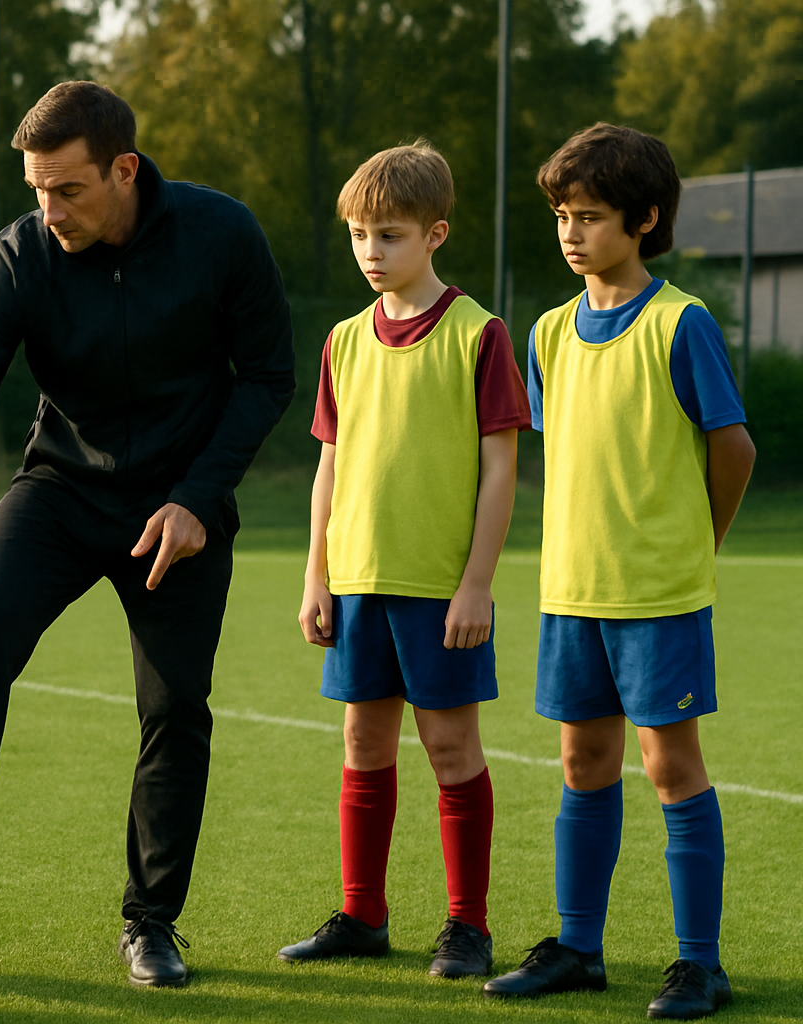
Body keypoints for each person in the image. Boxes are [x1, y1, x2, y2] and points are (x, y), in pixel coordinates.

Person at [0, 81, 296, 989]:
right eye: (36, 189)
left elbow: (268, 374)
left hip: (178, 514)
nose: (50, 210)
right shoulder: (20, 258)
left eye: (68, 190)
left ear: (125, 169)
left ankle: (152, 922)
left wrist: (199, 497)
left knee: (173, 709)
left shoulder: (220, 234)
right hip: (62, 490)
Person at [483, 123, 755, 1020]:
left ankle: (700, 965)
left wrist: (694, 543)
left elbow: (735, 449)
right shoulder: (550, 334)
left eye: (590, 216)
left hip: (660, 596)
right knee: (581, 761)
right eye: (562, 215)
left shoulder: (684, 323)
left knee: (671, 768)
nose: (570, 232)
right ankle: (577, 948)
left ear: (643, 219)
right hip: (571, 592)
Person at [275, 142, 529, 980]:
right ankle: (362, 914)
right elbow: (331, 465)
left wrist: (477, 586)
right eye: (357, 235)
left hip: (439, 591)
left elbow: (501, 471)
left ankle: (468, 926)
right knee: (362, 741)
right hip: (357, 584)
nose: (370, 253)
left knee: (452, 750)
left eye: (388, 235)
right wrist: (317, 575)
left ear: (435, 234)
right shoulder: (344, 340)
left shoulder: (478, 333)